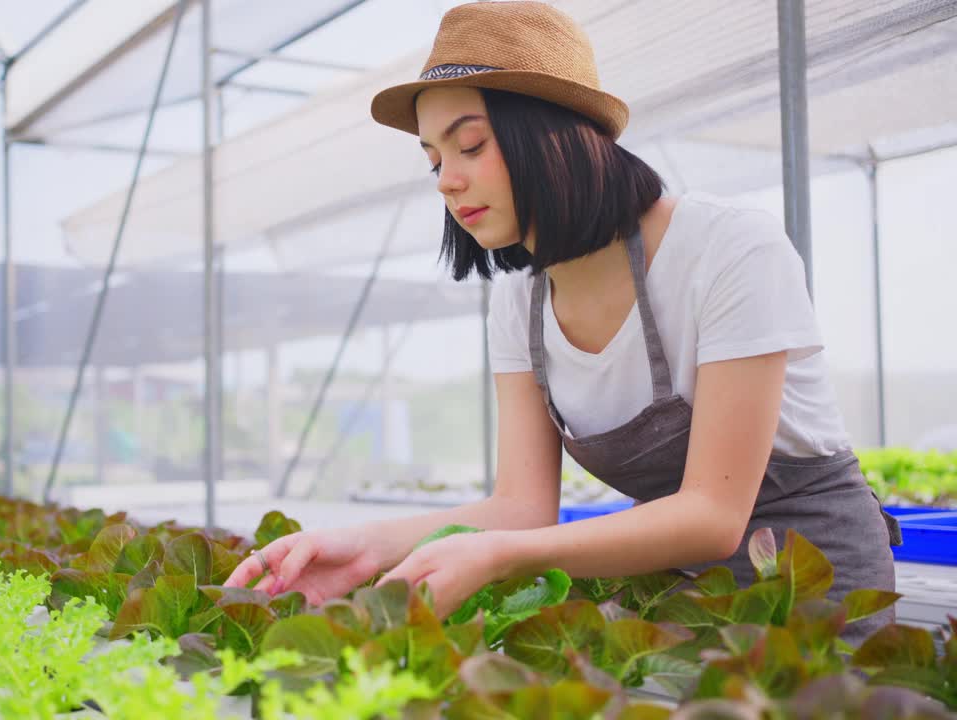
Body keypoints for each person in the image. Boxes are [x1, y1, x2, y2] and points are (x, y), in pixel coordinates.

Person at [225, 1, 901, 643]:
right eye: (433, 159)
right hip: (684, 598)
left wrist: (495, 557)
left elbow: (712, 516)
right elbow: (520, 507)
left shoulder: (728, 249)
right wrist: (360, 546)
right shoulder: (520, 304)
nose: (445, 181)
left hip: (814, 594)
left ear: (553, 136)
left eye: (469, 146)